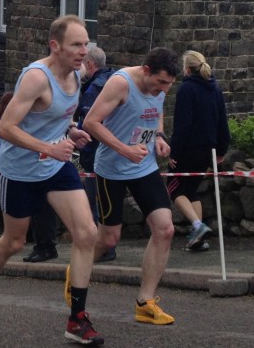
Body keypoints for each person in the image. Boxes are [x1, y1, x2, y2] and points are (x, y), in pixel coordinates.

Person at [0, 15, 102, 345]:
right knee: (14, 243)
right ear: (55, 46)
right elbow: (5, 127)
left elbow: (60, 114)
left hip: (56, 166)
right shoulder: (35, 78)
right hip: (20, 171)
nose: (83, 51)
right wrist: (48, 147)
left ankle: (78, 319)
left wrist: (72, 131)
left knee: (87, 233)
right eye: (76, 44)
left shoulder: (79, 72)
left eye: (85, 43)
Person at [83, 46, 179, 326]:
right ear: (146, 71)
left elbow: (156, 110)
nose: (165, 89)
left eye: (170, 84)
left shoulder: (159, 87)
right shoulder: (121, 83)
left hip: (144, 166)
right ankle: (78, 271)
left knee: (165, 229)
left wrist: (159, 136)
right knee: (108, 240)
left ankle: (145, 303)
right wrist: (124, 149)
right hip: (112, 168)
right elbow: (91, 123)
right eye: (161, 82)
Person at [169, 50, 231, 251]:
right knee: (191, 190)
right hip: (208, 150)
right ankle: (199, 239)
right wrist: (222, 149)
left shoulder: (186, 89)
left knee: (174, 188)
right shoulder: (215, 89)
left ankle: (198, 226)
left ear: (187, 69)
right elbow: (223, 122)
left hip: (188, 149)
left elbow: (182, 126)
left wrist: (174, 153)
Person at [75, 46, 115, 262]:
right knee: (108, 203)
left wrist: (78, 136)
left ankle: (101, 248)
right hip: (112, 151)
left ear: (89, 64)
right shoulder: (114, 79)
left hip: (96, 153)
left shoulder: (94, 89)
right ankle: (107, 246)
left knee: (93, 202)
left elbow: (89, 123)